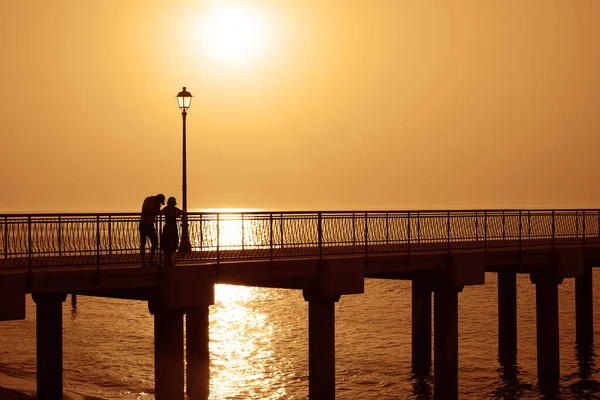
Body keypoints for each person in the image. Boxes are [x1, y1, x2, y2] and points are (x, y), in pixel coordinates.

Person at [139, 193, 165, 266]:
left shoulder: (148, 199)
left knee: (150, 243)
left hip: (147, 224)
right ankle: (147, 261)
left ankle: (146, 261)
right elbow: (151, 211)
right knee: (150, 243)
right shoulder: (151, 201)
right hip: (146, 224)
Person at [160, 196, 185, 263]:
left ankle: (167, 257)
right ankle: (169, 258)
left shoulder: (166, 209)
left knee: (167, 242)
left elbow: (160, 212)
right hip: (172, 227)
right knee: (172, 242)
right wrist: (178, 215)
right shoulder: (174, 209)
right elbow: (182, 212)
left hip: (167, 226)